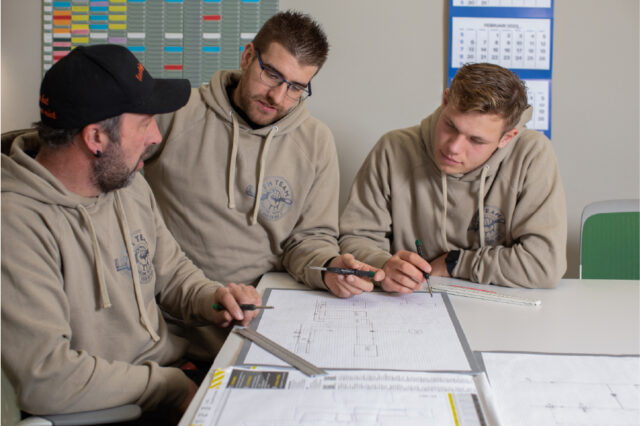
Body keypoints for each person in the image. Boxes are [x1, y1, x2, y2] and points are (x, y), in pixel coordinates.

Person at [1, 44, 261, 421]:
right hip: (111, 410)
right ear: (96, 138)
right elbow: (47, 378)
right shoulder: (17, 223)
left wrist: (215, 299)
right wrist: (170, 387)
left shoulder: (126, 182)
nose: (156, 135)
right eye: (144, 123)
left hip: (172, 379)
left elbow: (171, 272)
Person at [144, 10, 382, 303]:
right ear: (247, 57)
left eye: (295, 87)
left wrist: (328, 268)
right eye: (271, 75)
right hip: (173, 313)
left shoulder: (316, 142)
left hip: (260, 312)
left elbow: (309, 240)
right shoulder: (176, 113)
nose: (278, 97)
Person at [340, 63, 567, 291]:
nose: (454, 148)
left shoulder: (533, 155)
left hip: (496, 309)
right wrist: (384, 265)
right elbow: (356, 238)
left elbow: (544, 265)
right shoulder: (392, 149)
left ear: (507, 138)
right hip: (409, 304)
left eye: (476, 140)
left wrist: (454, 263)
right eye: (450, 125)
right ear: (445, 100)